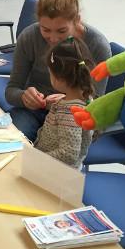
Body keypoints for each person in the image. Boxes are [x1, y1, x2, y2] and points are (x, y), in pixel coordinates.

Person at [5, 0, 111, 141]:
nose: (53, 39)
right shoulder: (30, 37)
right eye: (45, 30)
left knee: (55, 152)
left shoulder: (97, 46)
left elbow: (97, 106)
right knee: (13, 142)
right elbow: (11, 90)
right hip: (34, 112)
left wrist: (70, 101)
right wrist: (24, 97)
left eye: (62, 31)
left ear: (77, 20)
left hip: (74, 118)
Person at [34, 37, 95, 168]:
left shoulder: (70, 113)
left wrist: (36, 159)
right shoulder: (85, 98)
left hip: (55, 170)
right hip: (55, 166)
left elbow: (69, 154)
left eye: (50, 73)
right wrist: (56, 104)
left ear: (59, 78)